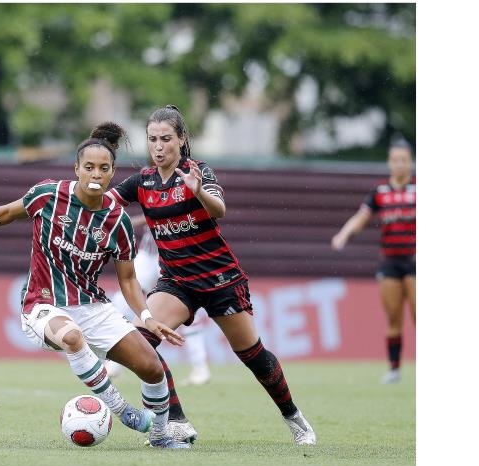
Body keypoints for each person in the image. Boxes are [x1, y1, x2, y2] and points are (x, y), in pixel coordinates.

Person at [0, 122, 190, 449]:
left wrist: (146, 317)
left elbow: (128, 280)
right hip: (42, 304)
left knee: (151, 366)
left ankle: (160, 435)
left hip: (93, 307)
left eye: (104, 169)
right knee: (72, 337)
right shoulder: (48, 195)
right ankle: (123, 411)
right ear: (76, 169)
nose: (95, 174)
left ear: (112, 173)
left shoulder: (116, 220)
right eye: (88, 167)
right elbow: (3, 214)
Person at [106, 105, 316, 446]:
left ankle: (293, 416)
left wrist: (198, 190)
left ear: (182, 139)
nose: (158, 147)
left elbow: (219, 209)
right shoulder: (141, 181)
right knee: (139, 344)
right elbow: (103, 203)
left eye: (166, 139)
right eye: (152, 140)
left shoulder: (198, 171)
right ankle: (175, 421)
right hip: (176, 283)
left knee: (252, 354)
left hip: (220, 280)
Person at [332, 139, 416, 384]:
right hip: (390, 262)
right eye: (396, 160)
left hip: (415, 262)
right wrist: (343, 235)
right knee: (393, 318)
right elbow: (361, 217)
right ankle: (394, 369)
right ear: (390, 163)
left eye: (404, 160)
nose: (400, 164)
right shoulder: (380, 192)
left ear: (410, 163)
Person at [108, 218, 212, 387]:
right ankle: (115, 362)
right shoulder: (154, 194)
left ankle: (200, 367)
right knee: (122, 303)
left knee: (186, 306)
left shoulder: (185, 195)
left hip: (176, 255)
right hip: (149, 255)